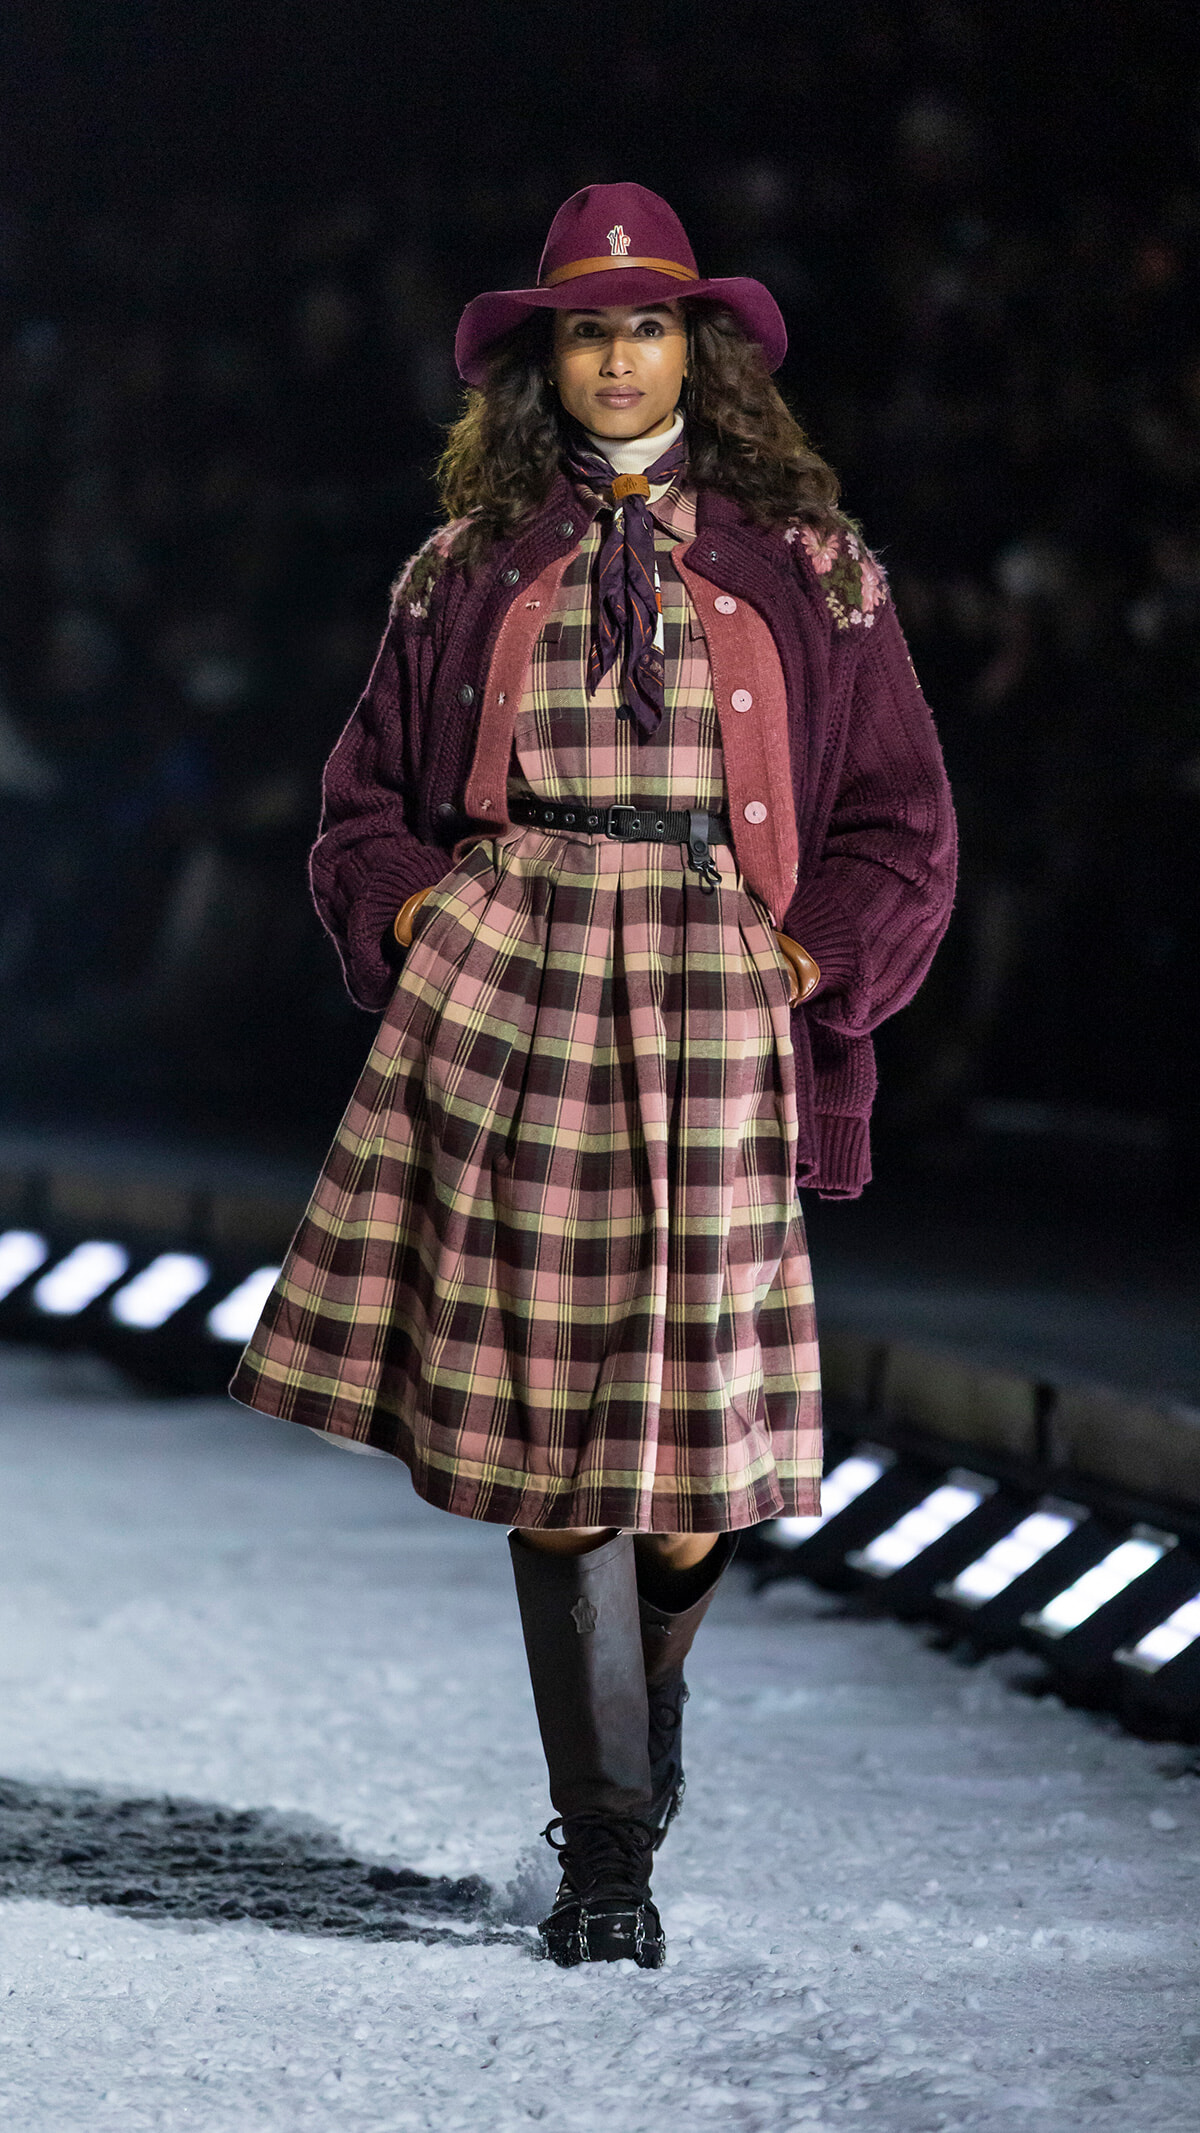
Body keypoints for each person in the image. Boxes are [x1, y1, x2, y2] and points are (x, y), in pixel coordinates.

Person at [229, 183, 956, 1970]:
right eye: (584, 330)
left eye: (646, 325)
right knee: (554, 1450)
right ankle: (608, 1850)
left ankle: (643, 1712)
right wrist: (417, 916)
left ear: (695, 348)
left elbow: (903, 820)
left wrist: (814, 958)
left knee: (692, 1479)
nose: (618, 358)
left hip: (717, 999)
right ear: (542, 361)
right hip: (517, 993)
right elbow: (361, 803)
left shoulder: (810, 566)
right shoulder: (465, 564)